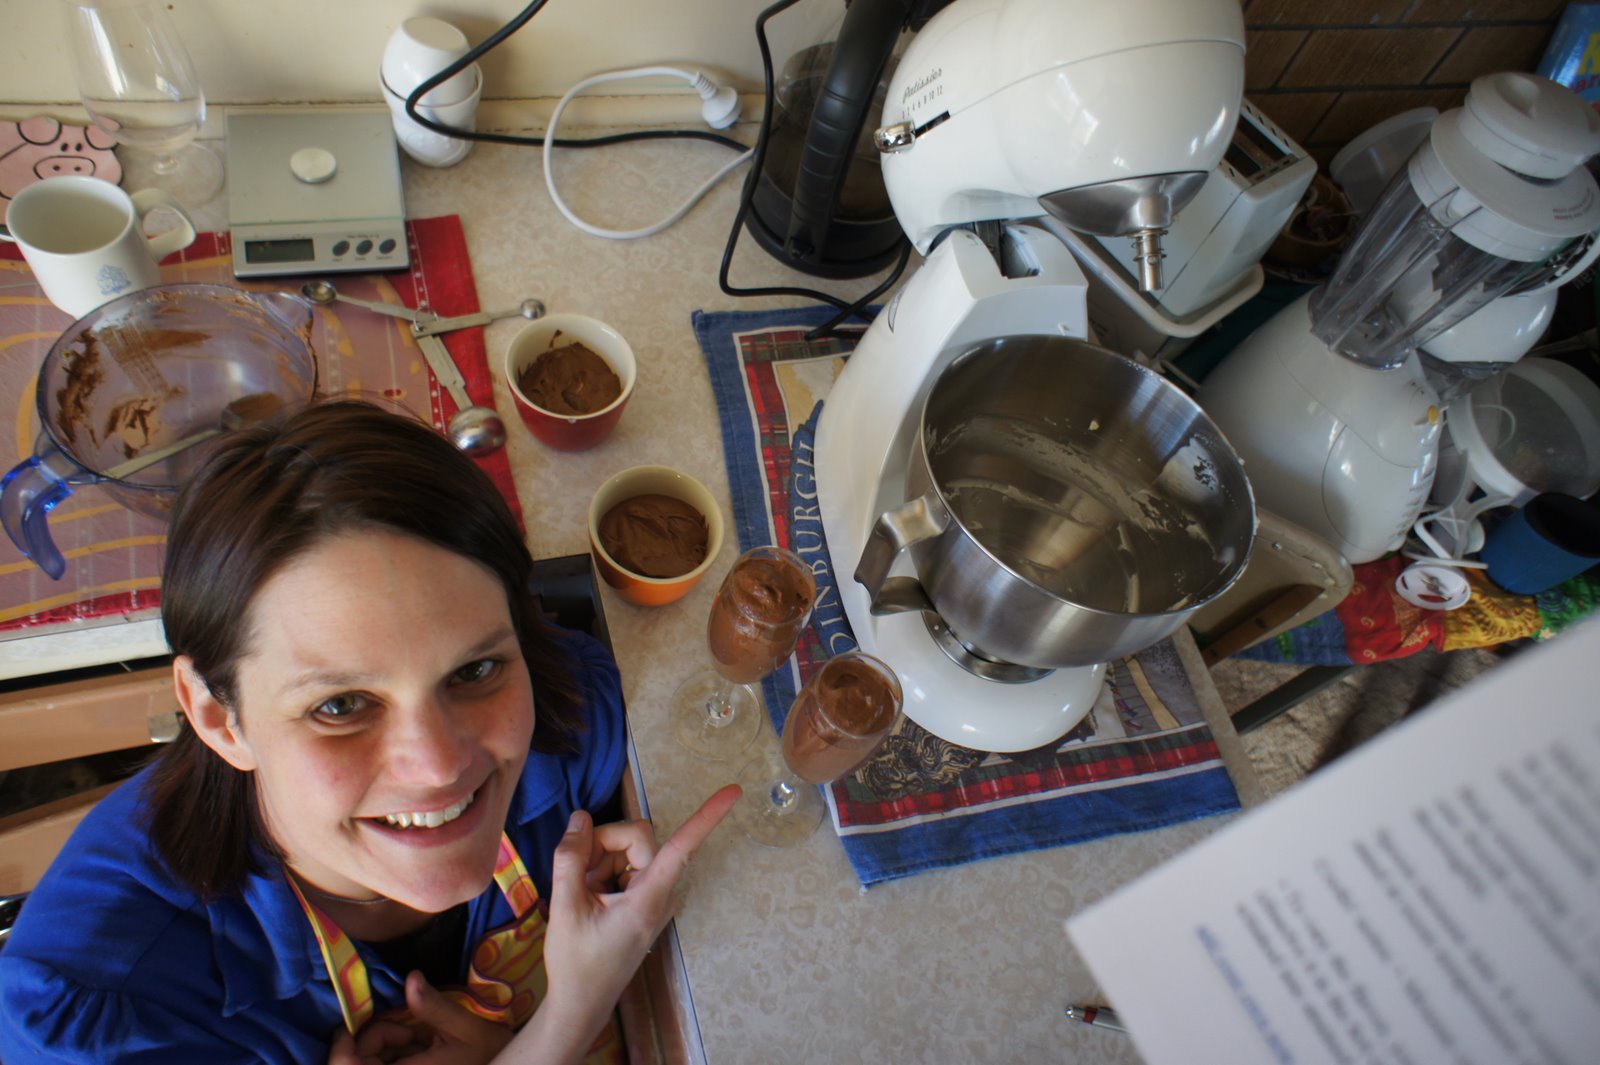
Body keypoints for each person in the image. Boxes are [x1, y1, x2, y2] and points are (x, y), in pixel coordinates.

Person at [0, 399, 739, 1065]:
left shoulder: (562, 715)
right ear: (220, 718)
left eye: (474, 669)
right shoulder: (90, 1018)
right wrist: (565, 1023)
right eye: (341, 705)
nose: (439, 765)